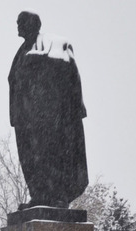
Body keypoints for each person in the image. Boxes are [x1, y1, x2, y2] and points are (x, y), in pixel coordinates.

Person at [8, 11, 88, 209]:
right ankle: (40, 196)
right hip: (25, 119)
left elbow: (71, 76)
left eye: (21, 22)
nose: (17, 26)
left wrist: (73, 108)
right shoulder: (21, 52)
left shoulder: (54, 45)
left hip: (51, 117)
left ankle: (57, 196)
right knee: (30, 158)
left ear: (33, 24)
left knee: (52, 154)